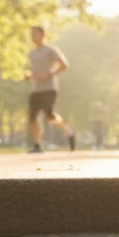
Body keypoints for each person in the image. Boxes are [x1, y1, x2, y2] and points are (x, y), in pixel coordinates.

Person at [24, 25, 76, 153]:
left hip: (49, 88)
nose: (32, 37)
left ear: (42, 35)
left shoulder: (50, 50)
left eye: (34, 34)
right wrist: (29, 75)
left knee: (49, 116)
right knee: (32, 118)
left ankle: (68, 131)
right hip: (35, 89)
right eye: (31, 34)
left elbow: (64, 65)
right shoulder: (32, 53)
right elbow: (33, 70)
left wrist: (50, 73)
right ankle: (37, 145)